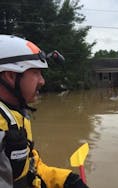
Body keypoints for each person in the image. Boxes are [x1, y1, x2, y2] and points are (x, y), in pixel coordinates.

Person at [0, 34, 89, 188]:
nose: (42, 81)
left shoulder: (16, 115)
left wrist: (66, 180)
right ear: (11, 75)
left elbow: (31, 167)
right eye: (36, 73)